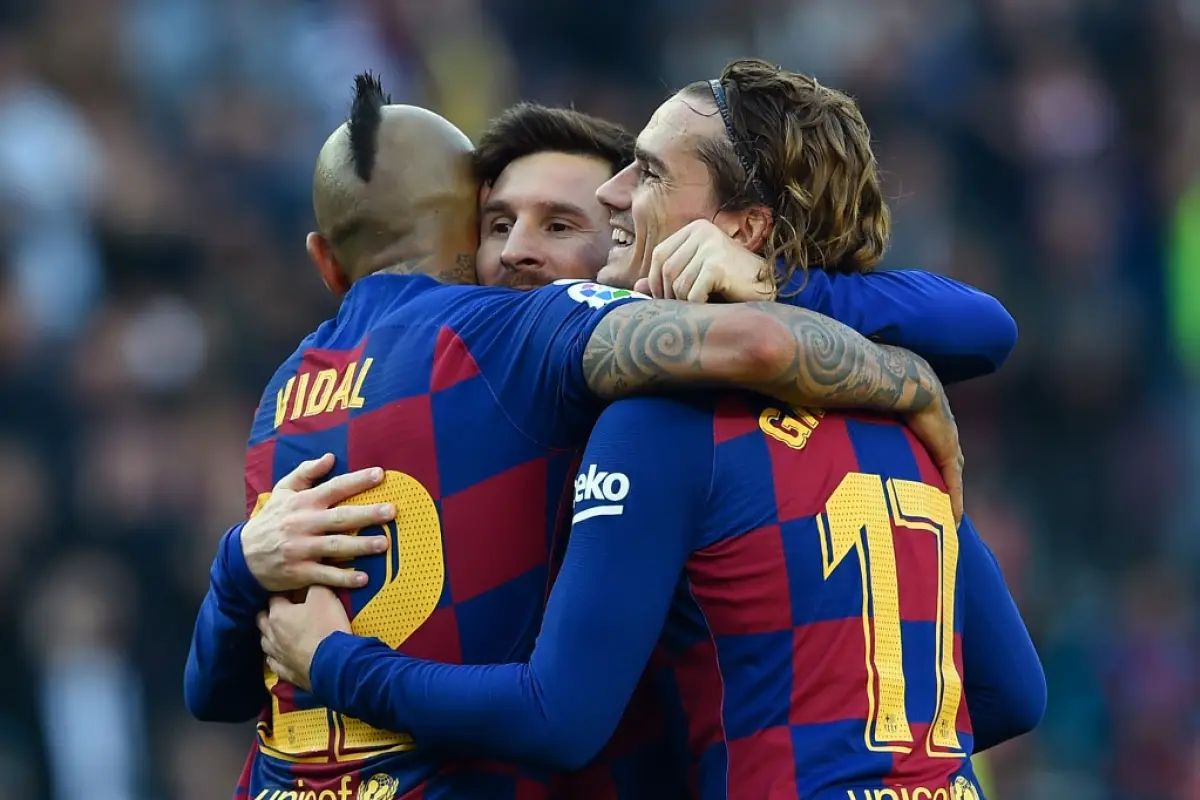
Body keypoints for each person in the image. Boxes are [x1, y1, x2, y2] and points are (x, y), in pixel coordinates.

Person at [256, 62, 1045, 799]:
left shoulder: (659, 421)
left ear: (741, 227)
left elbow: (557, 715)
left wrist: (335, 661)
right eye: (495, 225)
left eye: (651, 173)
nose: (616, 195)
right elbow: (1009, 691)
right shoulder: (898, 421)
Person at [471, 102, 1016, 384]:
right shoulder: (429, 338)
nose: (514, 250)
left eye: (560, 226)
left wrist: (770, 284)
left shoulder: (666, 386)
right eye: (497, 225)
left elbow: (984, 325)